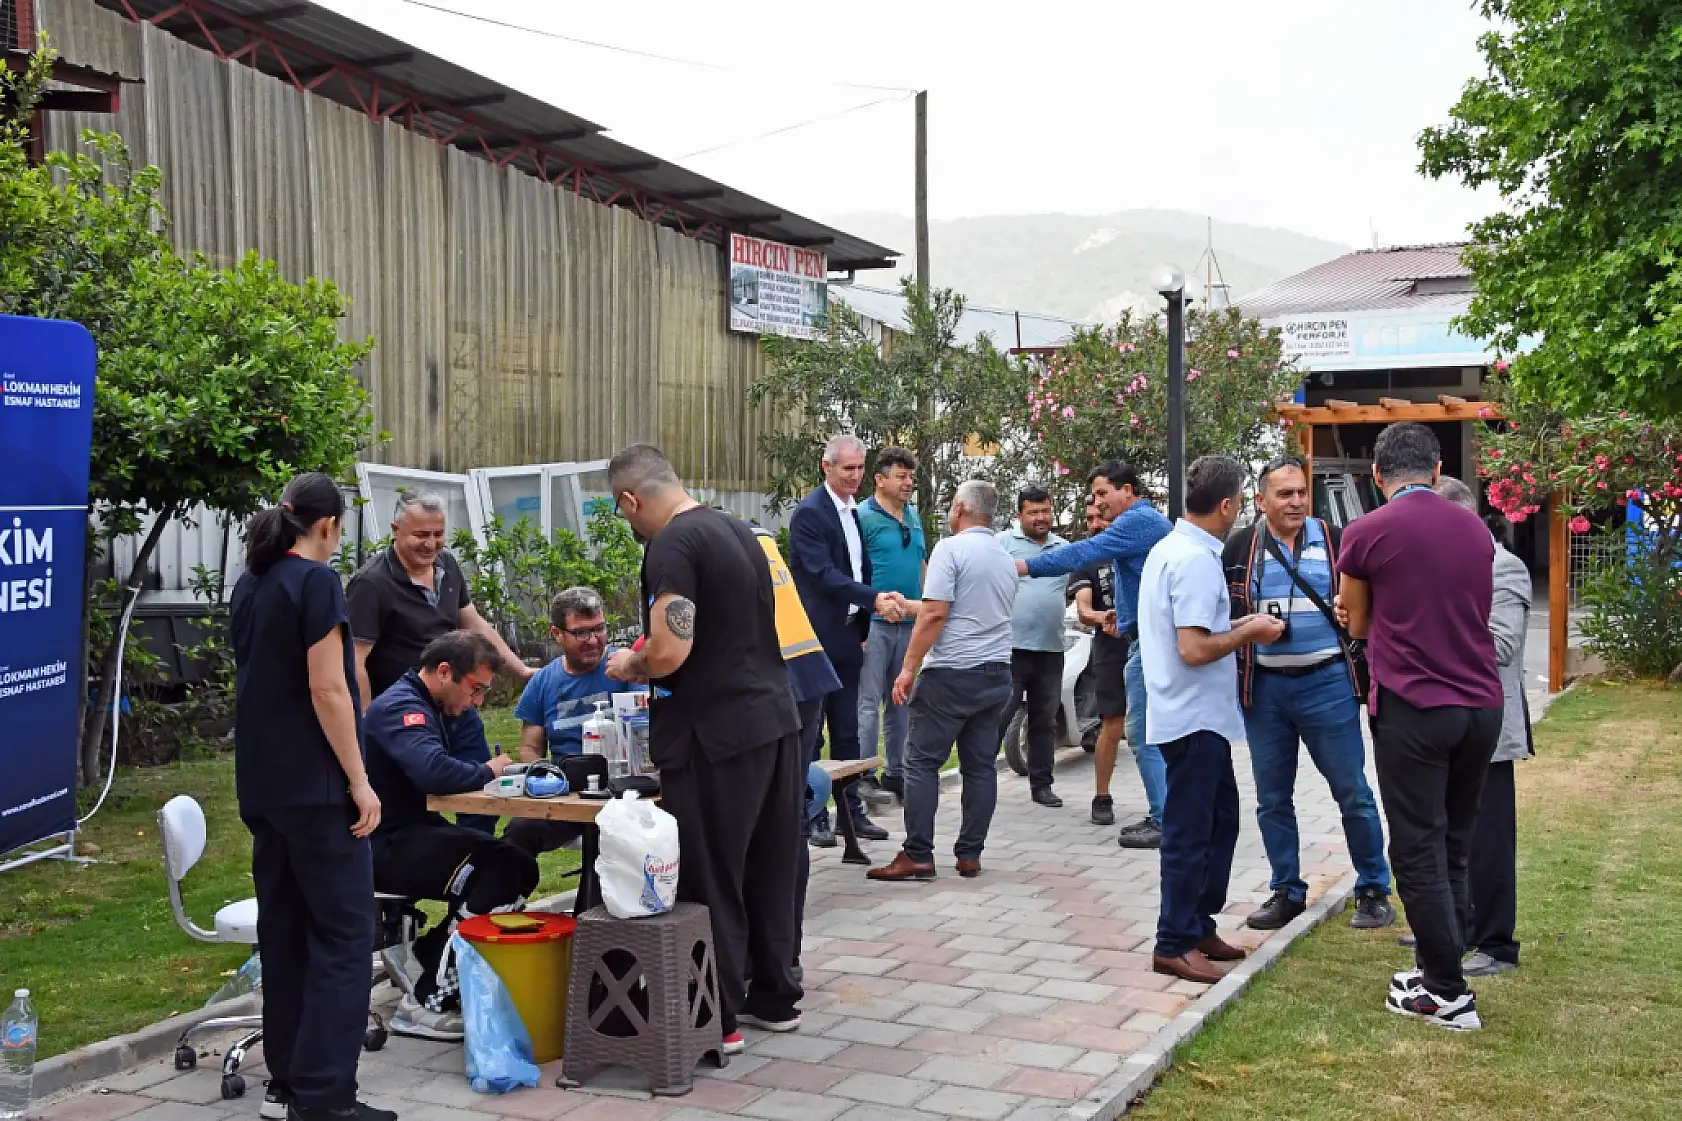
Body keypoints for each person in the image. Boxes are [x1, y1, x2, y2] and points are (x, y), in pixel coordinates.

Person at [603, 443, 804, 1056]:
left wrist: (630, 663)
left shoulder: (671, 545)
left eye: (622, 511)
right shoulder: (739, 531)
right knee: (770, 864)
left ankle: (716, 1016)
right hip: (775, 719)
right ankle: (775, 995)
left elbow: (670, 650)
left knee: (711, 871)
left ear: (630, 500)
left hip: (715, 734)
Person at [228, 473, 395, 1121]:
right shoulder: (317, 582)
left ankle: (289, 1083)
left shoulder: (251, 583)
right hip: (317, 788)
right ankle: (325, 1097)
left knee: (287, 934)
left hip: (263, 786)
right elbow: (328, 689)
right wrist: (359, 778)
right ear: (328, 525)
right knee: (345, 937)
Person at [1334, 423, 1503, 1032]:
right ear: (1435, 471)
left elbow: (1356, 623)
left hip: (1415, 705)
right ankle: (1438, 970)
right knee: (1453, 843)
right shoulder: (1475, 528)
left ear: (1377, 476)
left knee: (1416, 848)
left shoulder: (1365, 531)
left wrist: (1362, 612)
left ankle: (1446, 995)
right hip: (1481, 703)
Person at [1222, 456, 1395, 931]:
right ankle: (1286, 891)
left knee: (1353, 792)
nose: (1296, 501)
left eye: (1301, 492)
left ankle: (1373, 888)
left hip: (1328, 684)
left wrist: (1351, 616)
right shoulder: (1240, 546)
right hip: (1265, 691)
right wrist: (1248, 626)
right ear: (1261, 501)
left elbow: (1368, 603)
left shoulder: (1338, 538)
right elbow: (1221, 613)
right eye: (1285, 494)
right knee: (1272, 798)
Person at [1139, 456, 1287, 985]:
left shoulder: (1172, 549)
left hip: (1198, 716)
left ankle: (1198, 924)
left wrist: (1241, 621)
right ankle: (1173, 941)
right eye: (1241, 502)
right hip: (1192, 717)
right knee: (1190, 832)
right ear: (1227, 505)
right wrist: (1249, 633)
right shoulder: (1196, 561)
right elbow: (1195, 648)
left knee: (1221, 822)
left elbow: (1197, 629)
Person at [362, 631, 537, 1041]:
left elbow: (466, 769)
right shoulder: (401, 707)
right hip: (378, 843)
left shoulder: (442, 708)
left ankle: (429, 955)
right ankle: (424, 1002)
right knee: (502, 872)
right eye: (475, 689)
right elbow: (435, 772)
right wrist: (489, 771)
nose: (478, 701)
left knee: (515, 865)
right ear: (444, 672)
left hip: (415, 831)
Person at [347, 492, 532, 834]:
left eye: (438, 534)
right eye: (421, 535)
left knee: (484, 789)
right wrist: (367, 720)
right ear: (395, 530)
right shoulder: (371, 584)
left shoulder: (447, 565)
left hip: (455, 700)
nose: (431, 544)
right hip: (407, 711)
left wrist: (520, 669)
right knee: (411, 798)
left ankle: (474, 851)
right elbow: (355, 660)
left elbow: (473, 622)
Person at [1014, 461, 1171, 848]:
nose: (1097, 503)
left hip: (1151, 643)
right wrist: (1125, 615)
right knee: (1149, 731)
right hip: (1142, 637)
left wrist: (1021, 566)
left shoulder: (1136, 521)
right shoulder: (1144, 522)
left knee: (1142, 734)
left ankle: (1165, 819)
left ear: (1127, 491)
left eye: (1103, 493)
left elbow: (1081, 554)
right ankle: (1170, 814)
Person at [868, 480, 1018, 882]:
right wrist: (909, 606)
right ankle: (970, 854)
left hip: (952, 674)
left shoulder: (951, 549)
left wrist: (907, 668)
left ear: (960, 509)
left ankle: (918, 852)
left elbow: (938, 614)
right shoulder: (1004, 557)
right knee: (980, 767)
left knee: (921, 761)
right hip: (995, 673)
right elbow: (958, 609)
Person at [1434, 476, 1532, 979]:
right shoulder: (1444, 568)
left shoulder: (1504, 567)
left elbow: (1503, 647)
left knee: (1488, 843)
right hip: (1445, 725)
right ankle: (1454, 927)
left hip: (1489, 728)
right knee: (1448, 837)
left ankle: (1496, 943)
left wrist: (1432, 630)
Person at [787, 435, 904, 846]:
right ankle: (813, 813)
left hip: (849, 635)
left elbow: (858, 568)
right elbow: (822, 574)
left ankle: (850, 813)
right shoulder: (810, 513)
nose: (855, 476)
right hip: (815, 639)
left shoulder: (853, 511)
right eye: (847, 468)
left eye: (859, 468)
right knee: (812, 732)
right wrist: (874, 599)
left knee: (848, 730)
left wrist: (865, 626)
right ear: (827, 467)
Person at [749, 524, 842, 984]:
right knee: (790, 821)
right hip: (807, 674)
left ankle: (768, 961)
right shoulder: (757, 536)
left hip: (776, 683)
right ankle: (786, 955)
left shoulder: (701, 544)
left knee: (768, 823)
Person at [504, 588, 646, 858]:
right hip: (567, 794)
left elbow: (646, 729)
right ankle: (508, 885)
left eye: (599, 629)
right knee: (519, 831)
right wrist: (548, 780)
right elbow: (529, 749)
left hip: (624, 793)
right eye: (581, 633)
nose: (593, 640)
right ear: (557, 634)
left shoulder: (625, 668)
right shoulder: (543, 682)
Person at [855, 446, 926, 805]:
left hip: (910, 624)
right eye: (901, 476)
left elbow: (922, 565)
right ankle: (864, 775)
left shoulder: (913, 516)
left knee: (901, 701)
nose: (908, 483)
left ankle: (896, 773)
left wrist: (928, 610)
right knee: (868, 702)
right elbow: (853, 571)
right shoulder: (862, 517)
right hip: (874, 624)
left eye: (911, 476)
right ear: (879, 480)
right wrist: (859, 624)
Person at [996, 486, 1071, 808]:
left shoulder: (1064, 548)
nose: (1041, 518)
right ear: (1019, 515)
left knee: (1044, 721)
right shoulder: (1002, 544)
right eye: (1033, 512)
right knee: (998, 717)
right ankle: (980, 782)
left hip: (1051, 649)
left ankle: (1042, 785)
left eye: (1045, 511)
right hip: (1010, 648)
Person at [1068, 497, 1131, 825]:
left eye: (1100, 517)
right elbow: (1083, 608)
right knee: (1112, 723)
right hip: (1109, 649)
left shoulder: (1137, 548)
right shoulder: (1087, 558)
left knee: (1154, 727)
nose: (1095, 524)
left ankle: (1164, 801)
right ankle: (1102, 796)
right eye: (1090, 518)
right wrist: (1102, 617)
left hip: (1146, 645)